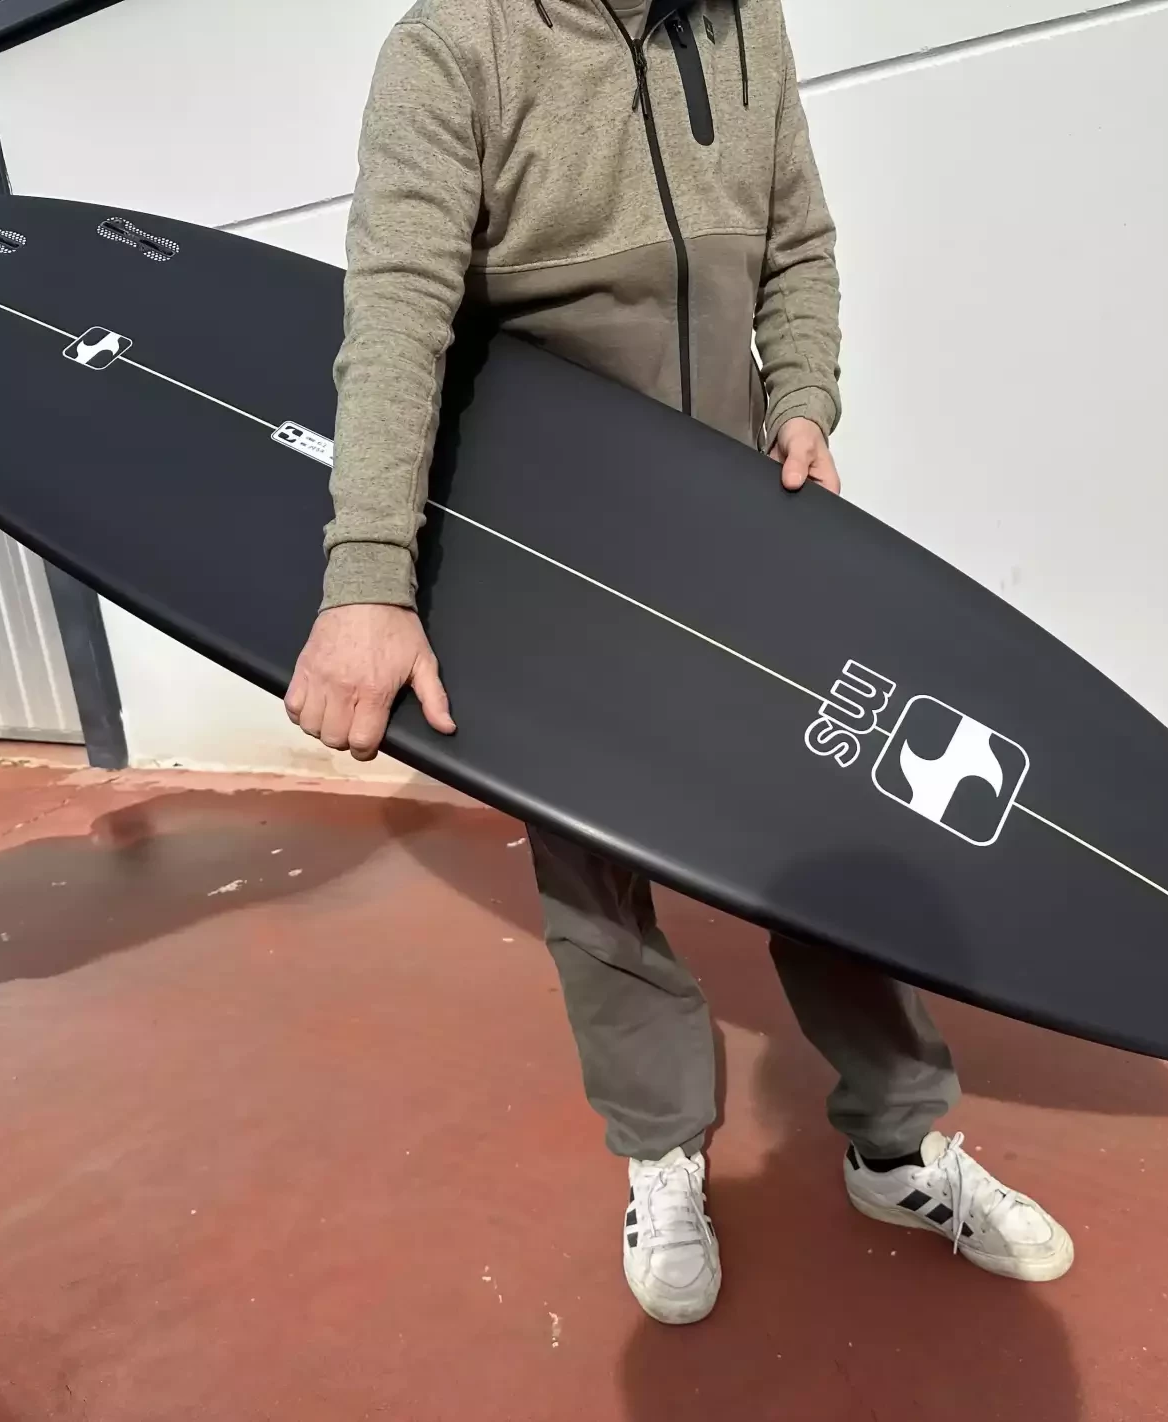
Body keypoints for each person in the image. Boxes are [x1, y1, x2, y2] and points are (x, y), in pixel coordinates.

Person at [286, 0, 1074, 1325]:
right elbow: (397, 316)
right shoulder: (455, 48)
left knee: (822, 825)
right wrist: (368, 572)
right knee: (595, 869)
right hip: (561, 547)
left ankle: (896, 1144)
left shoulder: (741, 19)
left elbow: (797, 243)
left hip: (733, 527)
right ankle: (661, 1148)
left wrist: (802, 397)